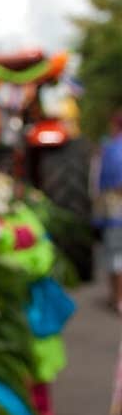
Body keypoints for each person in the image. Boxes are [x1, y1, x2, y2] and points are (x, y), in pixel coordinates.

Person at [93, 110, 122, 312]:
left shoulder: (112, 149)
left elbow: (105, 184)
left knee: (116, 255)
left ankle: (118, 298)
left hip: (115, 212)